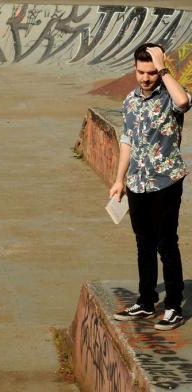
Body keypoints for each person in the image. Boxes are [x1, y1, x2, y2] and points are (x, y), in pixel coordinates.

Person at [110, 43, 192, 330]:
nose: (145, 78)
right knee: (143, 245)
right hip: (137, 183)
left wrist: (165, 70)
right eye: (141, 72)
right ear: (134, 69)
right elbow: (127, 141)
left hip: (165, 182)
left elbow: (184, 103)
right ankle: (145, 302)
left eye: (151, 73)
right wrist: (120, 179)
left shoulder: (170, 95)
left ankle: (173, 307)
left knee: (166, 244)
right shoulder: (130, 101)